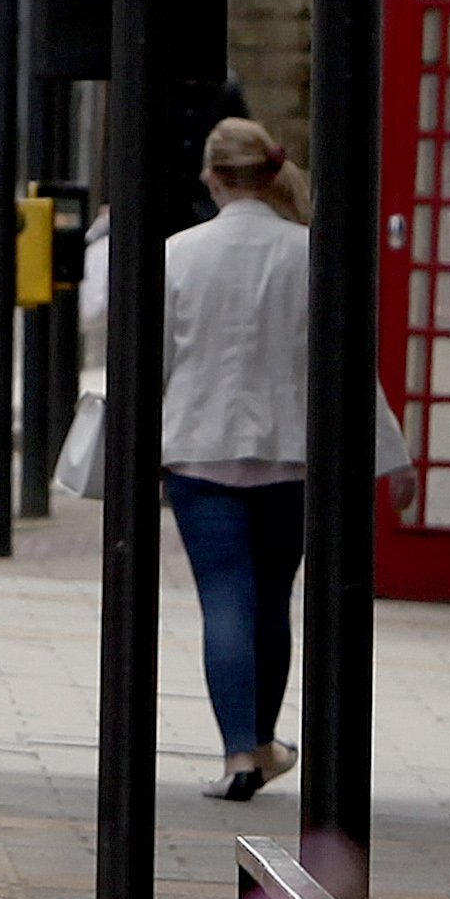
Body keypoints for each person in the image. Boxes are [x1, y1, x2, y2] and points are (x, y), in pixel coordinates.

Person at [153, 115, 317, 802]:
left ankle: (239, 756)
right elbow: (342, 364)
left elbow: (152, 359)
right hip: (289, 454)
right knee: (272, 600)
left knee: (225, 599)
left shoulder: (179, 253)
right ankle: (265, 739)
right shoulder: (312, 251)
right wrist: (391, 459)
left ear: (212, 176)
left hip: (200, 452)